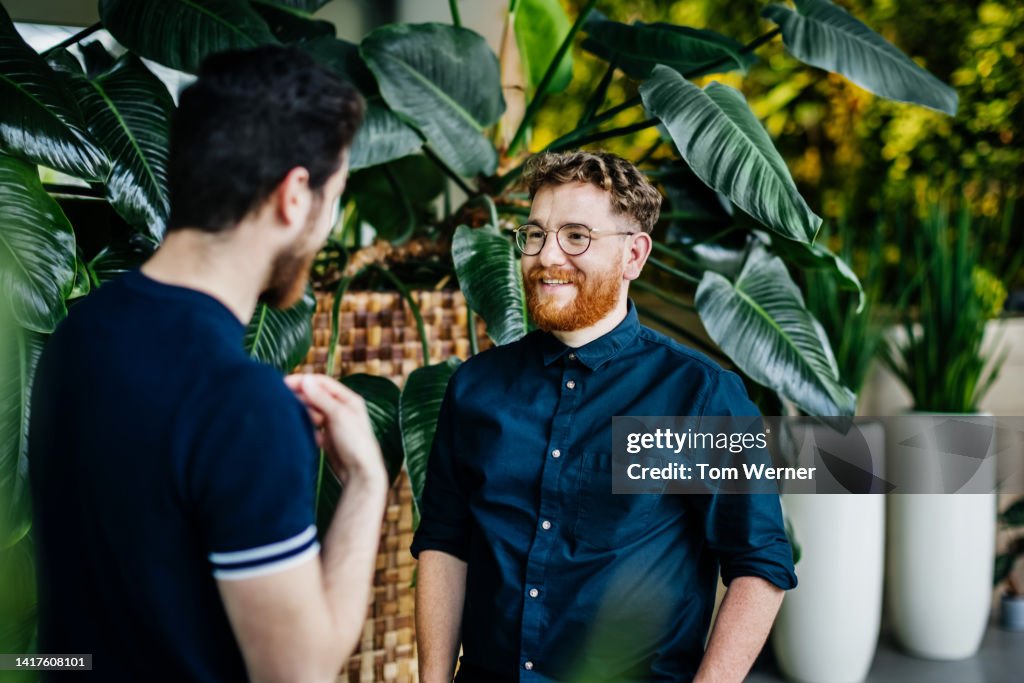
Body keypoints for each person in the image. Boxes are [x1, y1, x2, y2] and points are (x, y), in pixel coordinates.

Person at [29, 46, 387, 682]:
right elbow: (298, 673)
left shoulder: (76, 334)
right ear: (295, 196)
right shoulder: (243, 403)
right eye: (336, 195)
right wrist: (366, 485)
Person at [412, 151, 798, 683]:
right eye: (535, 234)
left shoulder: (699, 395)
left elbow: (760, 564)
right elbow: (444, 541)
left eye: (576, 236)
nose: (547, 256)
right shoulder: (475, 388)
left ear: (634, 256)